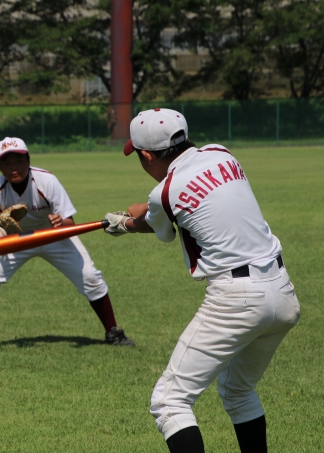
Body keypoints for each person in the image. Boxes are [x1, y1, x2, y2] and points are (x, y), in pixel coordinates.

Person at [104, 108, 300, 452]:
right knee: (238, 390)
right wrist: (142, 211)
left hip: (237, 298)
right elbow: (185, 202)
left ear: (147, 156)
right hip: (282, 291)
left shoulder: (163, 193)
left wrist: (123, 224)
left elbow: (162, 228)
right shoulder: (221, 153)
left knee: (169, 402)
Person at [0, 137, 134, 351]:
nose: (14, 167)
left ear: (28, 160)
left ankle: (113, 332)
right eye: (7, 163)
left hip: (53, 236)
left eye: (19, 161)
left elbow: (69, 222)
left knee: (90, 276)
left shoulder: (46, 181)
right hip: (16, 240)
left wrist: (59, 222)